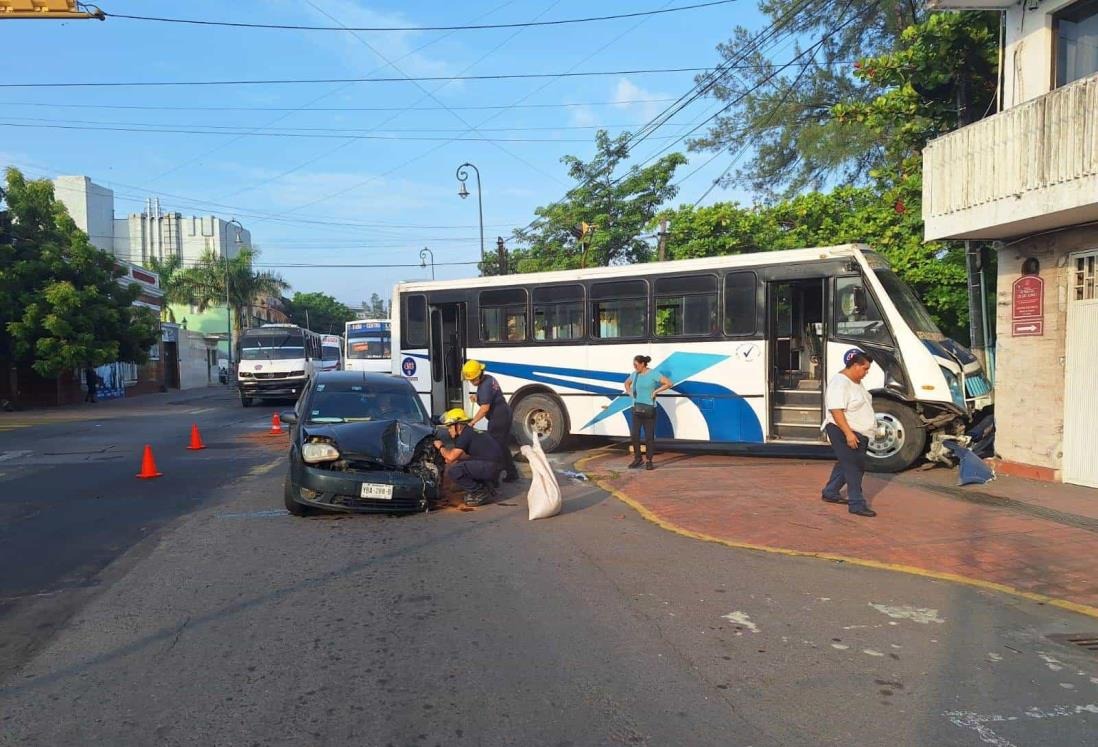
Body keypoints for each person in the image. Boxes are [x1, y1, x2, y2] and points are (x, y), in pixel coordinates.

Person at [821, 348, 878, 518]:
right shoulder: (840, 383)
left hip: (858, 431)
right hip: (843, 430)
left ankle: (830, 491)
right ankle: (856, 503)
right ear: (854, 365)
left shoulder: (855, 381)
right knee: (854, 467)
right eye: (865, 368)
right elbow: (836, 410)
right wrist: (848, 434)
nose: (866, 373)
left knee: (846, 463)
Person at [463, 359, 519, 483]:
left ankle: (493, 477)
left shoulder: (484, 385)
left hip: (499, 418)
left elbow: (485, 408)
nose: (472, 382)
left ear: (479, 374)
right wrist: (477, 397)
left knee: (494, 448)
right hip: (503, 414)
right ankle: (511, 472)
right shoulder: (489, 379)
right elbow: (490, 397)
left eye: (472, 379)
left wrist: (472, 422)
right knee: (502, 446)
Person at [434, 408, 504, 506]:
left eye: (449, 427)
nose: (449, 430)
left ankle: (479, 492)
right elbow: (462, 455)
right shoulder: (471, 431)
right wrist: (452, 457)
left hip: (490, 466)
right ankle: (487, 485)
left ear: (457, 426)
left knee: (454, 471)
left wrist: (440, 446)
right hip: (495, 465)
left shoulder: (464, 436)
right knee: (461, 464)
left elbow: (450, 457)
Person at [623, 355, 672, 470]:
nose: (634, 367)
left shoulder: (653, 373)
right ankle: (637, 458)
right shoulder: (635, 374)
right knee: (634, 435)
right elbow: (626, 383)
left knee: (649, 436)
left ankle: (649, 460)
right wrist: (630, 393)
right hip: (636, 408)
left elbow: (669, 383)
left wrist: (656, 391)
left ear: (643, 364)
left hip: (649, 409)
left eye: (636, 365)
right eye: (633, 365)